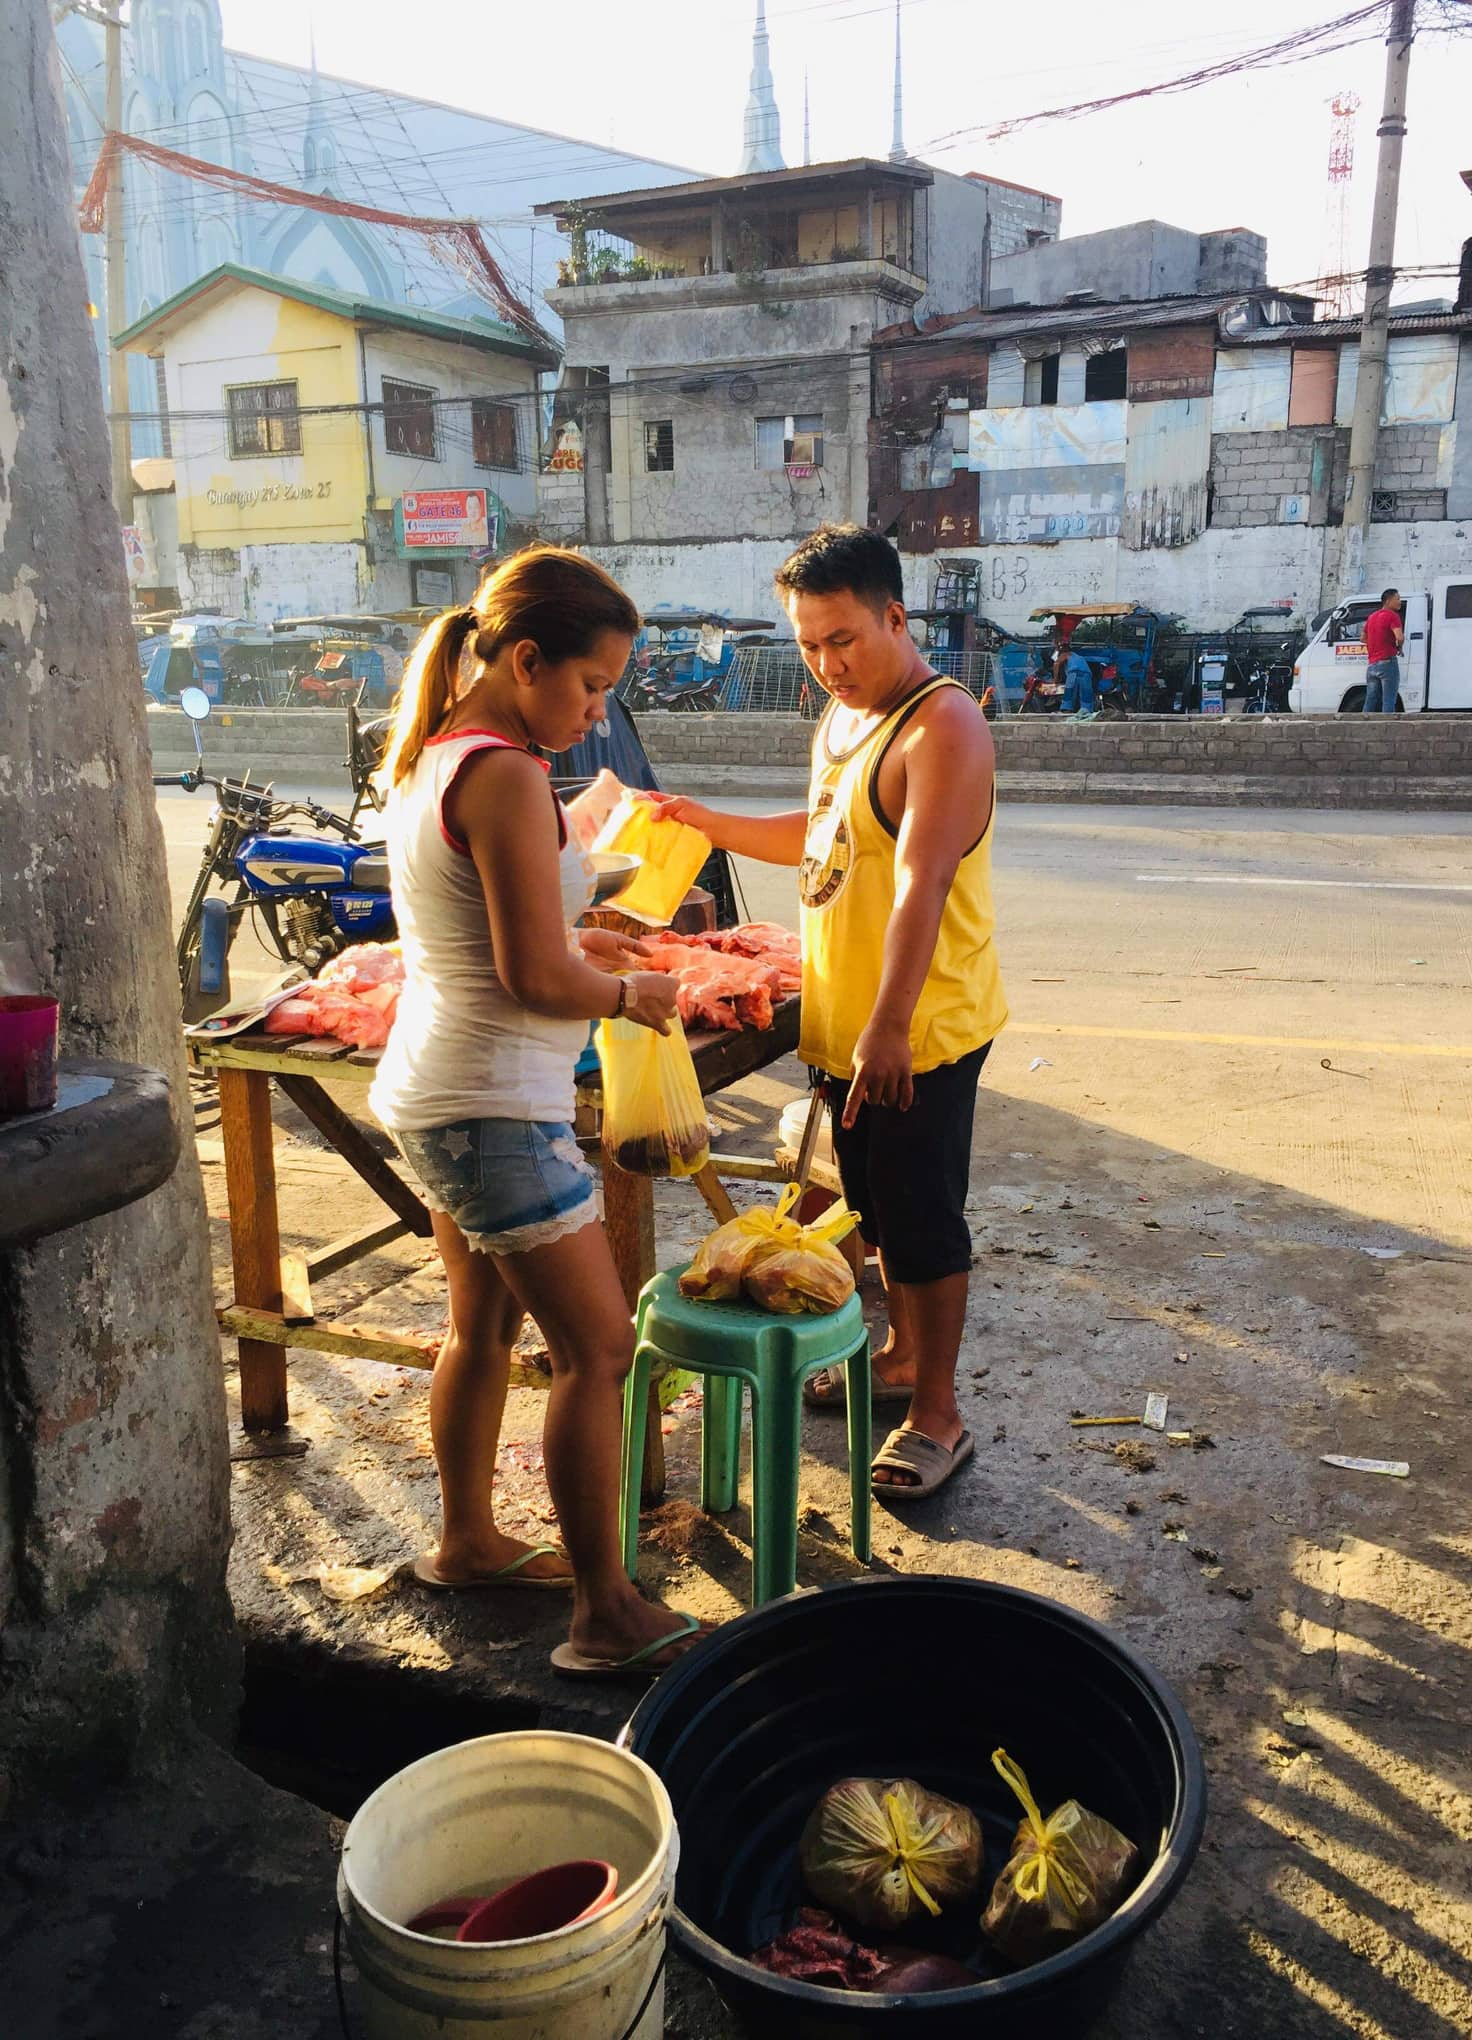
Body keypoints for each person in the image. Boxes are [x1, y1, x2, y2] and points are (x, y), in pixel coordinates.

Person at [369, 545, 703, 1680]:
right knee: (600, 1349)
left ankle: (466, 1543)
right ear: (524, 658)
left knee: (484, 1327)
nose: (598, 709)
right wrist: (630, 992)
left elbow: (493, 939)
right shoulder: (505, 771)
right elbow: (524, 976)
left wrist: (588, 942)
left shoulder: (435, 754)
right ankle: (605, 1611)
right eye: (591, 684)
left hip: (444, 1088)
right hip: (492, 1109)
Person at [653, 525, 1007, 1503]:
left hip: (920, 1030)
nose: (826, 664)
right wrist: (702, 819)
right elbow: (821, 844)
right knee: (877, 1212)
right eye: (808, 644)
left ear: (896, 616)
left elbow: (921, 886)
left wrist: (888, 1025)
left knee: (926, 1226)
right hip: (846, 1025)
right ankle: (897, 1358)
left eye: (843, 639)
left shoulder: (944, 728)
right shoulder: (842, 723)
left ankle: (938, 1415)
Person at [1363, 588, 1405, 714]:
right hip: (1387, 663)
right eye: (1397, 598)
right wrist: (1399, 647)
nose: (1400, 602)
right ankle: (1387, 730)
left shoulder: (1371, 617)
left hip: (1372, 665)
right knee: (1388, 700)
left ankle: (1362, 726)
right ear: (1388, 600)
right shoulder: (1393, 616)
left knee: (1370, 700)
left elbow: (1363, 638)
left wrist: (1376, 642)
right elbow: (1399, 637)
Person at [1058, 645, 1097, 721]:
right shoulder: (1079, 657)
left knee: (1070, 692)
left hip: (1074, 673)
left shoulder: (1066, 654)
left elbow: (1056, 664)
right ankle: (1086, 712)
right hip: (1086, 675)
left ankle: (1067, 710)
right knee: (1086, 694)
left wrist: (1055, 680)